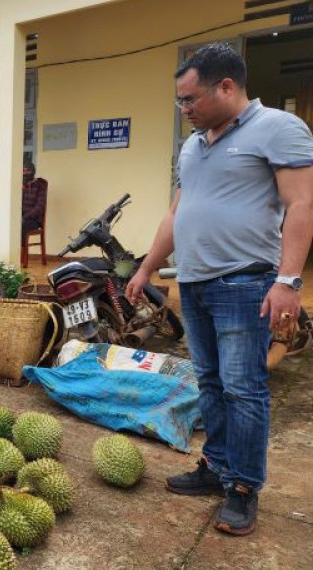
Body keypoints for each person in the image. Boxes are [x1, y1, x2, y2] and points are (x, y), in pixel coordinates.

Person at [126, 43, 313, 536]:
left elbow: (302, 204)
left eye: (190, 100)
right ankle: (216, 467)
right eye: (180, 102)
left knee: (244, 389)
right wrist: (146, 270)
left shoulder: (279, 128)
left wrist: (289, 281)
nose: (185, 110)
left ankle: (245, 486)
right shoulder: (193, 144)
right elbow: (175, 214)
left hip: (245, 282)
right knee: (209, 383)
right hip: (195, 282)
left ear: (226, 86)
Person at [21, 161, 48, 238]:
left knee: (21, 227)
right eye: (23, 171)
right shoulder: (20, 186)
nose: (25, 173)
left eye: (28, 171)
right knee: (6, 225)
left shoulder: (40, 186)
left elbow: (40, 207)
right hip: (21, 218)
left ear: (33, 172)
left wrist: (26, 217)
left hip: (33, 220)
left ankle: (21, 249)